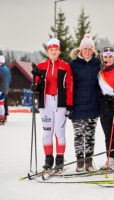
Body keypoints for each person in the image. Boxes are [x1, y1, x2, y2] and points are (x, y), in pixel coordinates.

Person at [31, 38, 73, 171]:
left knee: (59, 132)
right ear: (48, 51)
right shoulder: (41, 66)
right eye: (51, 50)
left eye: (56, 50)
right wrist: (34, 85)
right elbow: (37, 85)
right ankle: (48, 159)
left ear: (59, 51)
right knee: (47, 131)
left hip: (60, 103)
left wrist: (69, 104)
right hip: (46, 102)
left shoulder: (65, 66)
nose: (53, 52)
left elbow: (70, 86)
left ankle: (59, 160)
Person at [69, 34, 100, 172]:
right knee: (79, 135)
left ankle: (89, 161)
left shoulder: (97, 63)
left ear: (93, 50)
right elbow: (68, 85)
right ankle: (80, 162)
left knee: (90, 135)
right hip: (77, 105)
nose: (87, 51)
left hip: (93, 104)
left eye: (89, 49)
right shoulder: (73, 64)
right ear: (80, 49)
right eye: (85, 48)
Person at [0, 55, 12, 125]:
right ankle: (1, 119)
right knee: (1, 103)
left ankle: (1, 119)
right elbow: (10, 79)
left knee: (0, 104)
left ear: (0, 62)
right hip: (5, 88)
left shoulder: (0, 69)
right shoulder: (7, 69)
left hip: (1, 88)